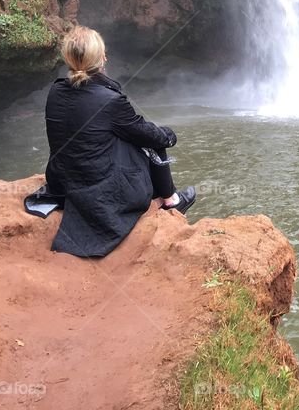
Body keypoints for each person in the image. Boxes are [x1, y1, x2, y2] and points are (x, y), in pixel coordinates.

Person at [44, 26, 197, 258]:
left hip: (60, 182)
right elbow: (148, 134)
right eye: (103, 53)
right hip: (97, 191)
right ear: (101, 59)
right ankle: (170, 200)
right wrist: (168, 135)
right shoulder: (109, 100)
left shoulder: (56, 91)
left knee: (117, 136)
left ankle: (168, 198)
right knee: (151, 140)